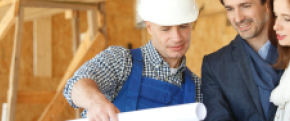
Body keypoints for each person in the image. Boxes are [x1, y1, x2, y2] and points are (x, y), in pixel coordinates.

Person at [62, 0, 202, 121]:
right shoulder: (122, 60)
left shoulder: (197, 88)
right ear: (149, 27)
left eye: (183, 26)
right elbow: (75, 86)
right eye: (165, 29)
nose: (177, 37)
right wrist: (95, 101)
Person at [201, 0, 284, 120]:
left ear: (266, 5)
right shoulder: (214, 66)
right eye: (230, 9)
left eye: (245, 6)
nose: (238, 18)